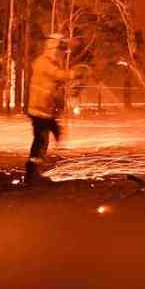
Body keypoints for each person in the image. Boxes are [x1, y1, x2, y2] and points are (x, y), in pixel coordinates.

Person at [25, 33, 87, 183]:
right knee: (41, 140)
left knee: (53, 134)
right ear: (53, 48)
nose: (61, 54)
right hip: (38, 109)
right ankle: (31, 173)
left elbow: (55, 80)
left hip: (45, 110)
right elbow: (57, 75)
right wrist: (73, 74)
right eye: (60, 50)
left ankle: (42, 164)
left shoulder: (49, 62)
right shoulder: (43, 62)